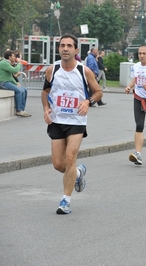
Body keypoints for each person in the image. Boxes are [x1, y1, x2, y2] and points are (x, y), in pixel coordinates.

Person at [41, 33, 103, 214]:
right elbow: (45, 92)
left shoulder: (84, 71)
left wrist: (87, 102)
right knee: (59, 164)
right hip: (57, 120)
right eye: (62, 45)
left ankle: (65, 201)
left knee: (70, 159)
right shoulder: (52, 70)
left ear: (76, 50)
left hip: (76, 121)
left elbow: (98, 92)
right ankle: (77, 173)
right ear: (59, 48)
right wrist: (46, 109)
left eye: (69, 46)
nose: (65, 48)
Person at [0, 50, 31, 117]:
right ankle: (18, 110)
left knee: (24, 90)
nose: (15, 57)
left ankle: (22, 109)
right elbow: (15, 70)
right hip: (3, 83)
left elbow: (10, 76)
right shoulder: (4, 63)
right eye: (13, 56)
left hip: (8, 81)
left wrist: (16, 83)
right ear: (9, 57)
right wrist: (19, 63)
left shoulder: (7, 63)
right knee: (19, 91)